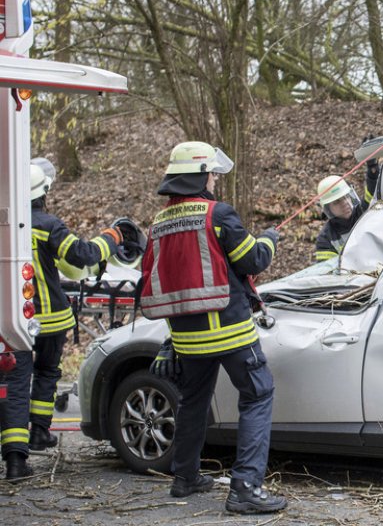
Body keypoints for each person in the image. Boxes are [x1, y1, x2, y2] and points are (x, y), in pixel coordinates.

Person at [140, 141, 285, 514]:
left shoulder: (159, 223)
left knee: (192, 402)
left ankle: (184, 476)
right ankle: (246, 488)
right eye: (213, 174)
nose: (216, 180)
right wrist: (269, 239)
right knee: (258, 394)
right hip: (230, 329)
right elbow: (252, 260)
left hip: (186, 336)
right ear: (201, 175)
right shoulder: (217, 214)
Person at [1, 159, 123, 480]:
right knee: (46, 373)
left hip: (12, 323)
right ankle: (40, 432)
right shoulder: (48, 225)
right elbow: (82, 256)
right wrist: (111, 238)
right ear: (43, 193)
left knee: (15, 385)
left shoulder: (5, 225)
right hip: (52, 320)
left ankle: (15, 461)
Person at [313, 151, 380, 262]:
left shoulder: (363, 211)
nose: (345, 203)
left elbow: (373, 192)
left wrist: (372, 167)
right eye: (337, 202)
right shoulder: (326, 238)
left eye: (346, 197)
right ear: (328, 209)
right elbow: (327, 271)